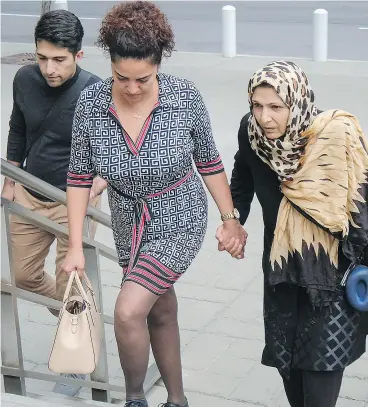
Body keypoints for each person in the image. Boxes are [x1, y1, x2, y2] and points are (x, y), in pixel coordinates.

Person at [61, 2, 247, 406]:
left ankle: (133, 399)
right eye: (121, 77)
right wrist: (75, 245)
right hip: (129, 218)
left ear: (158, 65)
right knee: (158, 308)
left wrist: (230, 219)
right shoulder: (91, 106)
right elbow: (78, 178)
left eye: (142, 79)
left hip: (179, 213)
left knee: (129, 310)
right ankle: (177, 400)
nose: (131, 88)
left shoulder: (184, 98)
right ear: (110, 64)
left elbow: (210, 162)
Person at [226, 60, 368, 407]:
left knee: (320, 372)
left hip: (333, 272)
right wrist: (234, 219)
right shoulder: (251, 134)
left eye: (276, 107)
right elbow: (242, 177)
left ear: (298, 102)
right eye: (257, 106)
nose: (265, 117)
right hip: (281, 267)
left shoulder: (335, 136)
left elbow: (362, 198)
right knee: (287, 362)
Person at [2, 10, 105, 396]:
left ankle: (77, 360)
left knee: (72, 285)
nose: (48, 68)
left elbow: (114, 146)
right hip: (28, 192)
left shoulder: (96, 92)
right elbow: (17, 128)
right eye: (41, 57)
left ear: (79, 56)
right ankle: (78, 319)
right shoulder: (24, 79)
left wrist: (100, 181)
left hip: (72, 202)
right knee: (20, 277)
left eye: (59, 59)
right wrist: (10, 181)